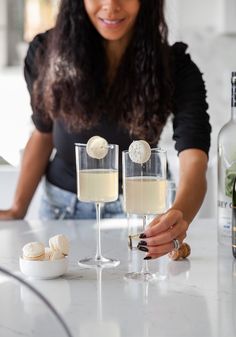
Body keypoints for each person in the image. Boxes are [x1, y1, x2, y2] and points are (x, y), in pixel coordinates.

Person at [0, 0, 211, 259]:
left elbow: (194, 156)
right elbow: (43, 133)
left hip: (143, 210)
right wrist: (17, 209)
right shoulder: (45, 52)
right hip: (62, 209)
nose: (111, 6)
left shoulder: (176, 66)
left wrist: (179, 216)